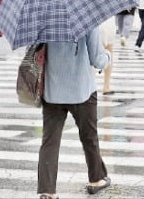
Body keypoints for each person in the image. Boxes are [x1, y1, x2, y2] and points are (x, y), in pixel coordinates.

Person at [38, 27, 112, 199]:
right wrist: (108, 54)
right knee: (89, 136)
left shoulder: (44, 17)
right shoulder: (85, 16)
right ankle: (96, 179)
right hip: (82, 90)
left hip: (52, 90)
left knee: (49, 141)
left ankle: (47, 191)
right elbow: (97, 60)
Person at [99, 16, 116, 95]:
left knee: (90, 54)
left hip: (95, 22)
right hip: (109, 21)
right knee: (109, 51)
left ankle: (89, 85)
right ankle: (106, 86)